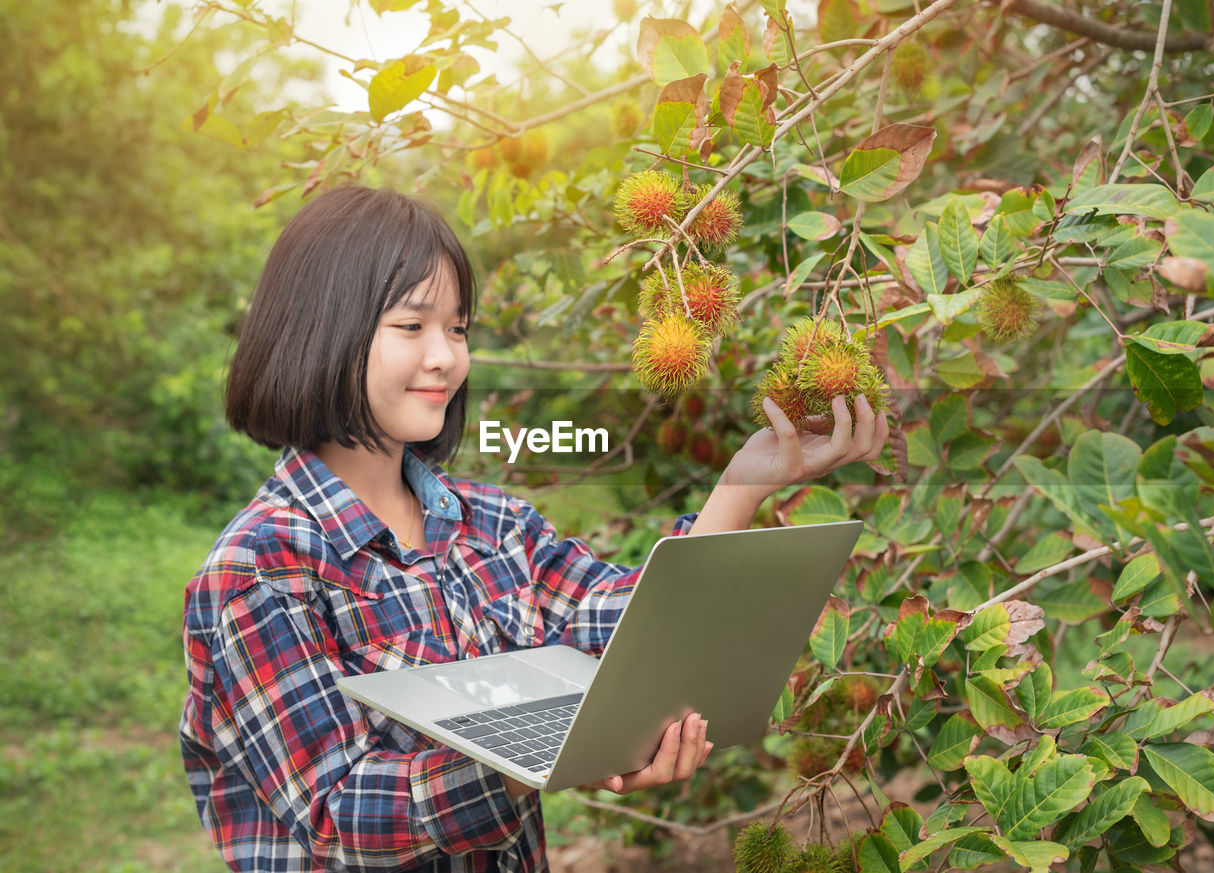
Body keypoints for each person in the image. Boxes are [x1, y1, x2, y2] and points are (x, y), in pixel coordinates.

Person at [180, 185, 889, 873]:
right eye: (412, 325)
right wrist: (545, 754)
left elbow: (621, 632)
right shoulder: (260, 566)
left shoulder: (493, 525)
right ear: (321, 328)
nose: (446, 355)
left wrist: (742, 485)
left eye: (457, 327)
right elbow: (337, 813)